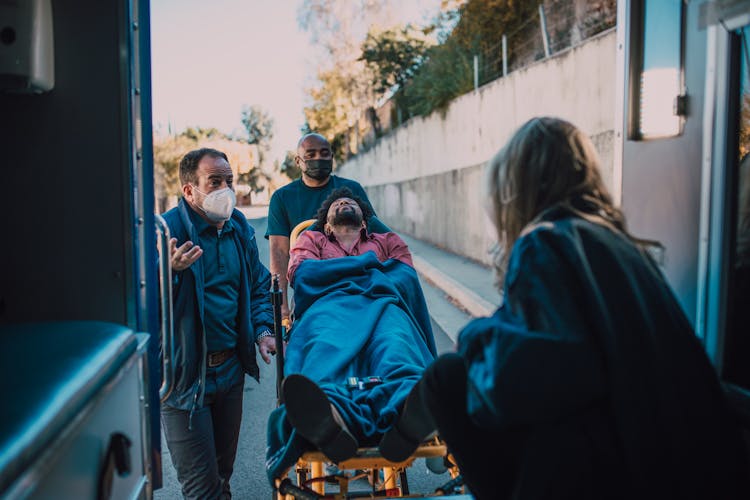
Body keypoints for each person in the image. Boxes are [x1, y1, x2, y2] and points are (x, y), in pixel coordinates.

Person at [409, 117, 750, 499]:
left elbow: (526, 380)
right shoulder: (620, 243)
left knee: (447, 376)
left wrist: (473, 336)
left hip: (620, 466)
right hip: (684, 456)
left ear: (515, 188)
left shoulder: (546, 240)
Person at [265, 188, 436, 480]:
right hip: (329, 310)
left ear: (365, 221)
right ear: (327, 224)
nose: (344, 202)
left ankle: (407, 404)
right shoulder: (311, 239)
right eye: (337, 204)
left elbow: (405, 276)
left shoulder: (387, 241)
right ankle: (331, 412)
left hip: (382, 307)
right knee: (324, 351)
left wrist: (337, 271)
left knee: (394, 347)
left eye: (351, 202)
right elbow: (303, 275)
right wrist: (371, 267)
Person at [161, 148, 275, 499]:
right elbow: (137, 294)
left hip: (230, 374)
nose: (226, 189)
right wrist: (169, 272)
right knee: (202, 490)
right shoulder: (166, 231)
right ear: (189, 190)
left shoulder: (239, 226)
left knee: (222, 478)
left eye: (229, 181)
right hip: (184, 381)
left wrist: (263, 329)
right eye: (215, 182)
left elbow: (258, 283)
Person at [266, 133, 389, 325]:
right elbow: (280, 252)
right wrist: (282, 308)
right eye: (311, 154)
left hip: (359, 285)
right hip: (313, 290)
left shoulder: (351, 190)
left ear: (332, 157)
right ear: (298, 161)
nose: (318, 158)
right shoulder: (282, 198)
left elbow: (378, 238)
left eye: (324, 153)